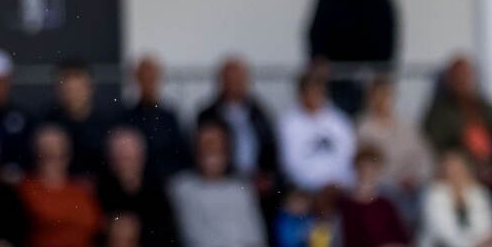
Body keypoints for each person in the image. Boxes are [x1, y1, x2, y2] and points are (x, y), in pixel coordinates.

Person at [170, 123, 270, 247]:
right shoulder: (183, 187)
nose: (212, 151)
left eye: (217, 146)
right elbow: (193, 237)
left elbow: (257, 236)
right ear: (196, 150)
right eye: (207, 146)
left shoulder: (241, 188)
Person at [308, 0, 398, 110]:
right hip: (335, 78)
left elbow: (389, 32)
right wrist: (319, 61)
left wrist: (381, 71)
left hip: (370, 80)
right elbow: (316, 31)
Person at [18, 125, 102, 247]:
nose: (53, 158)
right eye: (46, 153)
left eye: (59, 153)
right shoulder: (26, 188)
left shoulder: (82, 189)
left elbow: (95, 225)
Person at [95, 126, 182, 247]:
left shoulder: (156, 190)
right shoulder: (101, 190)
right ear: (111, 160)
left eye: (130, 157)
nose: (126, 164)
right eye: (120, 158)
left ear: (142, 157)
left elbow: (166, 233)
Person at [197, 56, 280, 184]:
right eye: (230, 79)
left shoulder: (259, 112)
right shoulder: (208, 115)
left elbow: (270, 146)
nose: (234, 83)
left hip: (257, 179)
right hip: (223, 179)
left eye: (238, 78)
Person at [341, 146, 417, 247]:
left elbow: (400, 234)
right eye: (364, 167)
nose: (368, 172)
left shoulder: (386, 204)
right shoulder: (347, 205)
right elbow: (351, 241)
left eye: (372, 168)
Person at [422, 56, 492, 173]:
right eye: (458, 76)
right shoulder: (438, 113)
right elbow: (433, 146)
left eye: (466, 76)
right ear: (449, 80)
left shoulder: (487, 108)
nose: (463, 81)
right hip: (458, 169)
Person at [279, 72, 358, 194]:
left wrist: (337, 182)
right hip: (305, 188)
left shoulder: (339, 120)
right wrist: (318, 185)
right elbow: (291, 164)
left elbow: (348, 156)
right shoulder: (288, 123)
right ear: (301, 94)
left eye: (318, 91)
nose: (315, 96)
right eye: (310, 91)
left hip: (338, 186)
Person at [357, 76, 432, 197]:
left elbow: (424, 157)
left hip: (412, 184)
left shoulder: (407, 126)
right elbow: (366, 165)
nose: (383, 101)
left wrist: (415, 176)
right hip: (382, 186)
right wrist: (395, 180)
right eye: (379, 96)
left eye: (387, 95)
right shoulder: (364, 129)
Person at [116, 56, 190, 180]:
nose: (147, 83)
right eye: (143, 78)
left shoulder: (169, 118)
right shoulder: (125, 117)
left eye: (151, 78)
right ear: (136, 80)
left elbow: (181, 154)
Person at [39, 60, 110, 177]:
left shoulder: (107, 125)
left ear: (91, 87)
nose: (72, 95)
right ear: (57, 90)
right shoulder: (46, 124)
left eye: (78, 89)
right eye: (67, 90)